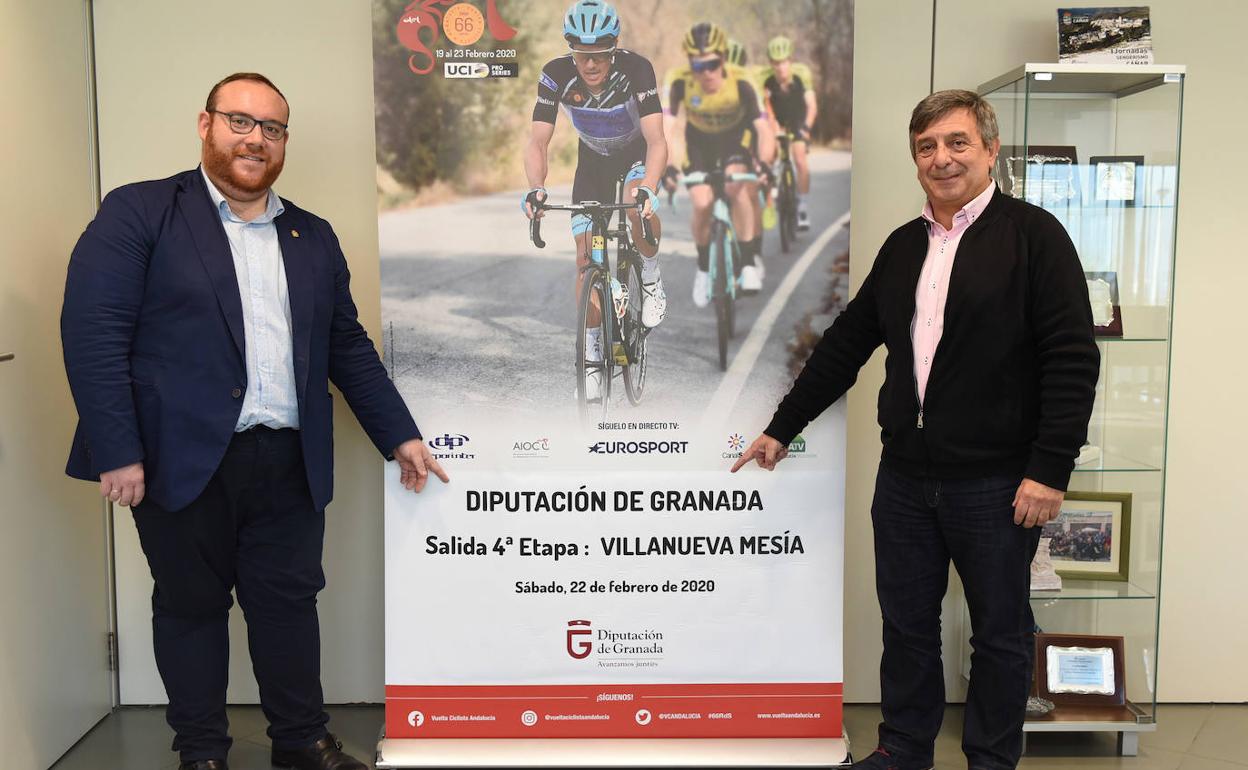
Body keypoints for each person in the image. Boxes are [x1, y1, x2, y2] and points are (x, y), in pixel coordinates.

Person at [61, 72, 448, 770]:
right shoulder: (141, 212)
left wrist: (400, 433)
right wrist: (117, 449)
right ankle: (202, 751)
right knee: (190, 607)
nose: (255, 139)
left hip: (289, 460)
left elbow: (346, 345)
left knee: (289, 606)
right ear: (205, 124)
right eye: (241, 121)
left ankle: (301, 740)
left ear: (283, 143)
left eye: (271, 128)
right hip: (177, 458)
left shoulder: (312, 236)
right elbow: (94, 333)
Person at [731, 89, 1099, 770]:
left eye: (957, 143)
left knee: (1000, 636)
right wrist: (781, 427)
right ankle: (903, 750)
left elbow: (1072, 359)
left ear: (990, 150)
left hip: (997, 484)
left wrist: (1050, 469)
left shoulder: (1034, 236)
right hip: (904, 480)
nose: (942, 158)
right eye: (927, 147)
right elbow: (846, 343)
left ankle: (990, 759)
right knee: (906, 630)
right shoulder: (905, 247)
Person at [523, 0, 668, 401]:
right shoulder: (555, 75)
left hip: (636, 156)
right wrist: (536, 188)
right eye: (582, 53)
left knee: (635, 199)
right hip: (593, 162)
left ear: (613, 47)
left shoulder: (637, 69)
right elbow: (538, 140)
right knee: (586, 260)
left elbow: (657, 140)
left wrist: (650, 187)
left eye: (600, 53)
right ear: (571, 49)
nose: (590, 64)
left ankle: (652, 279)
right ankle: (590, 354)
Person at [664, 21, 775, 307]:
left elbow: (763, 130)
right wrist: (670, 166)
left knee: (736, 188)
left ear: (723, 58)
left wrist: (763, 164)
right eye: (698, 66)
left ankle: (748, 263)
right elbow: (669, 129)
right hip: (698, 144)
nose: (706, 73)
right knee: (701, 203)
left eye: (712, 64)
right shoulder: (678, 81)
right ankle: (703, 268)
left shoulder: (743, 81)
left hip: (733, 142)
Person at [762, 35, 818, 231]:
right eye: (776, 63)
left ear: (790, 61)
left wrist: (806, 128)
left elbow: (811, 106)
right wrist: (774, 130)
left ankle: (802, 205)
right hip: (778, 121)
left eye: (784, 62)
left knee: (800, 157)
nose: (780, 67)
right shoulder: (766, 79)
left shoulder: (801, 75)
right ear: (771, 63)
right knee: (768, 157)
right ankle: (770, 201)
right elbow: (766, 107)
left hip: (798, 121)